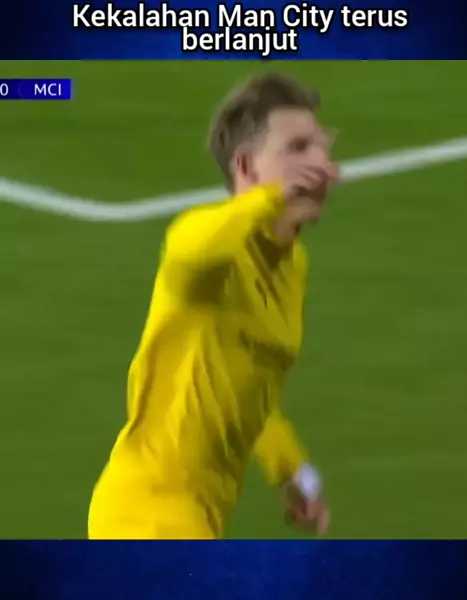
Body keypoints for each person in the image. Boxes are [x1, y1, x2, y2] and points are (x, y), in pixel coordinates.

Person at [88, 72, 338, 539]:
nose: (320, 164)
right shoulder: (212, 260)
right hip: (144, 516)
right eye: (297, 149)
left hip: (199, 521)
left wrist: (294, 470)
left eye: (321, 147)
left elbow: (248, 389)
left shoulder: (293, 266)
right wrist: (272, 197)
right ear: (246, 167)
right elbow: (188, 247)